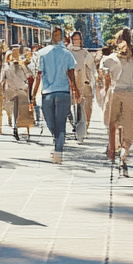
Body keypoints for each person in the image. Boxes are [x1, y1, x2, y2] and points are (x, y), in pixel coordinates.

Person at [31, 27, 79, 164]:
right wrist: (75, 89)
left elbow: (38, 75)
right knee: (61, 122)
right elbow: (71, 74)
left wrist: (33, 95)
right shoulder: (68, 54)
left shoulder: (42, 54)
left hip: (47, 93)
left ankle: (58, 146)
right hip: (63, 92)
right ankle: (58, 147)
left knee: (50, 123)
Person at [99, 40, 133, 173]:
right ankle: (123, 155)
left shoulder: (111, 58)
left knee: (113, 122)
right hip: (130, 92)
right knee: (128, 126)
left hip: (115, 91)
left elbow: (104, 73)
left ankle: (112, 148)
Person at [2, 46, 34, 140]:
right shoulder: (20, 65)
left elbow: (2, 79)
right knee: (23, 110)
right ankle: (20, 128)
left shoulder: (8, 65)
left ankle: (15, 127)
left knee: (16, 110)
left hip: (12, 90)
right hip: (20, 90)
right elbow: (29, 75)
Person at [68, 31, 95, 142]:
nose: (76, 42)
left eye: (78, 39)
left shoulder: (85, 53)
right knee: (68, 107)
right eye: (74, 39)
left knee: (83, 107)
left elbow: (91, 69)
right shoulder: (67, 52)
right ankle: (74, 125)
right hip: (70, 83)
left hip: (83, 82)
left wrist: (91, 81)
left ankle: (83, 128)